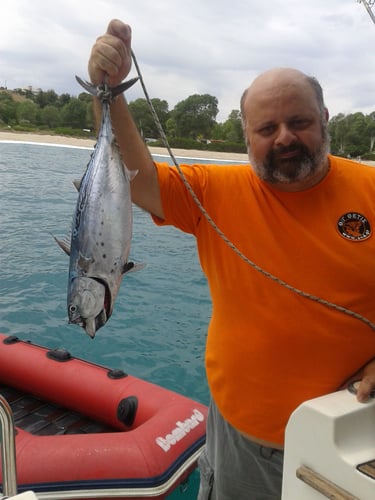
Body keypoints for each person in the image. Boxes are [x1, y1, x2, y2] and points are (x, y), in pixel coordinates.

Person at [88, 19, 375, 499]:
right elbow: (136, 181)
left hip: (347, 435)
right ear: (247, 134)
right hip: (241, 437)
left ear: (325, 117)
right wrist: (110, 93)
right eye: (267, 127)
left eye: (299, 122)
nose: (284, 137)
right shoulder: (212, 192)